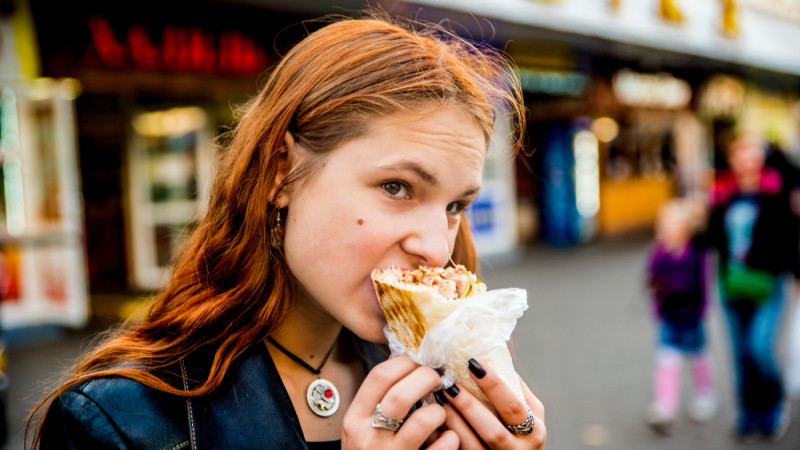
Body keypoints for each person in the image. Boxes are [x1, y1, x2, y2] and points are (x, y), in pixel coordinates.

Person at [26, 12, 546, 450]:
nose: (436, 248)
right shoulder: (116, 423)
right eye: (396, 187)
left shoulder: (447, 386)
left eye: (456, 205)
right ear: (281, 174)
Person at [704, 130, 800, 442]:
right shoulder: (723, 194)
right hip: (731, 286)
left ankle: (774, 406)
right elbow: (712, 239)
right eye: (741, 152)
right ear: (732, 158)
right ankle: (748, 414)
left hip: (767, 285)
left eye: (752, 151)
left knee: (760, 347)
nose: (747, 158)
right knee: (739, 354)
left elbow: (790, 239)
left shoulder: (777, 191)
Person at [644, 198, 717, 435]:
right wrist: (656, 294)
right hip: (669, 315)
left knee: (698, 356)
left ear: (685, 228)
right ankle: (666, 405)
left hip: (691, 314)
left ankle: (705, 394)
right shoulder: (658, 253)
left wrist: (703, 307)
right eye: (663, 225)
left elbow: (704, 282)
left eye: (672, 225)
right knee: (667, 359)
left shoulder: (696, 251)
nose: (666, 231)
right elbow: (652, 278)